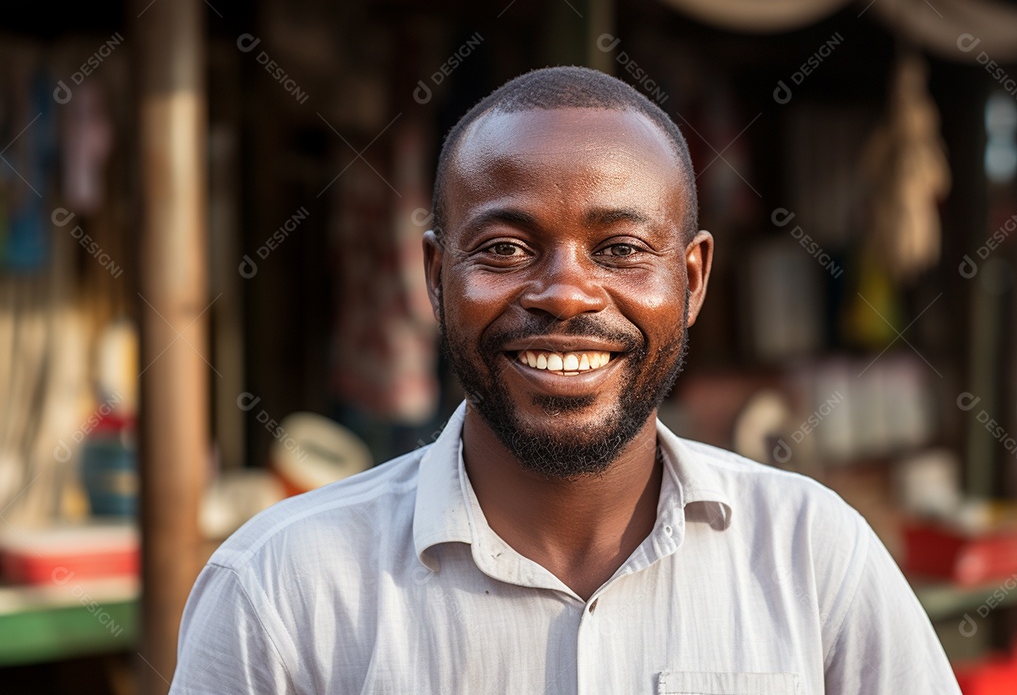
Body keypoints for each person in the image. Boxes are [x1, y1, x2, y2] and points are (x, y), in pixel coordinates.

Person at [171, 66, 961, 694]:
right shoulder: (280, 590)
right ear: (436, 276)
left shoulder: (814, 558)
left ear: (692, 279)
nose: (566, 294)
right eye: (506, 249)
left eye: (620, 249)